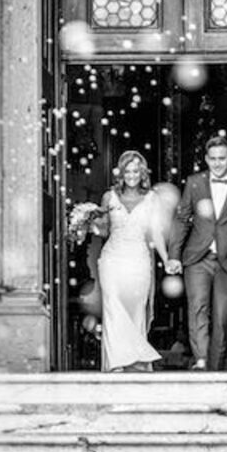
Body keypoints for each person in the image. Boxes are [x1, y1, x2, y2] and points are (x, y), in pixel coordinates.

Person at [167, 136, 227, 371]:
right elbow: (182, 219)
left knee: (221, 318)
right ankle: (201, 363)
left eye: (222, 158)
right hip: (197, 258)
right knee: (198, 310)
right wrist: (174, 255)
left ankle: (214, 370)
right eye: (213, 159)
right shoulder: (194, 182)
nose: (217, 163)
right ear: (206, 159)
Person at [95, 151, 169, 372]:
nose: (131, 175)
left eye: (136, 171)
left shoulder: (152, 199)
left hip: (138, 259)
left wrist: (166, 260)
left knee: (135, 308)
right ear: (121, 173)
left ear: (142, 173)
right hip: (112, 259)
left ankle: (136, 362)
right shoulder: (109, 197)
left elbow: (156, 233)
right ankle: (116, 361)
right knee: (112, 304)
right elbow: (103, 229)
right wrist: (88, 222)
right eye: (127, 171)